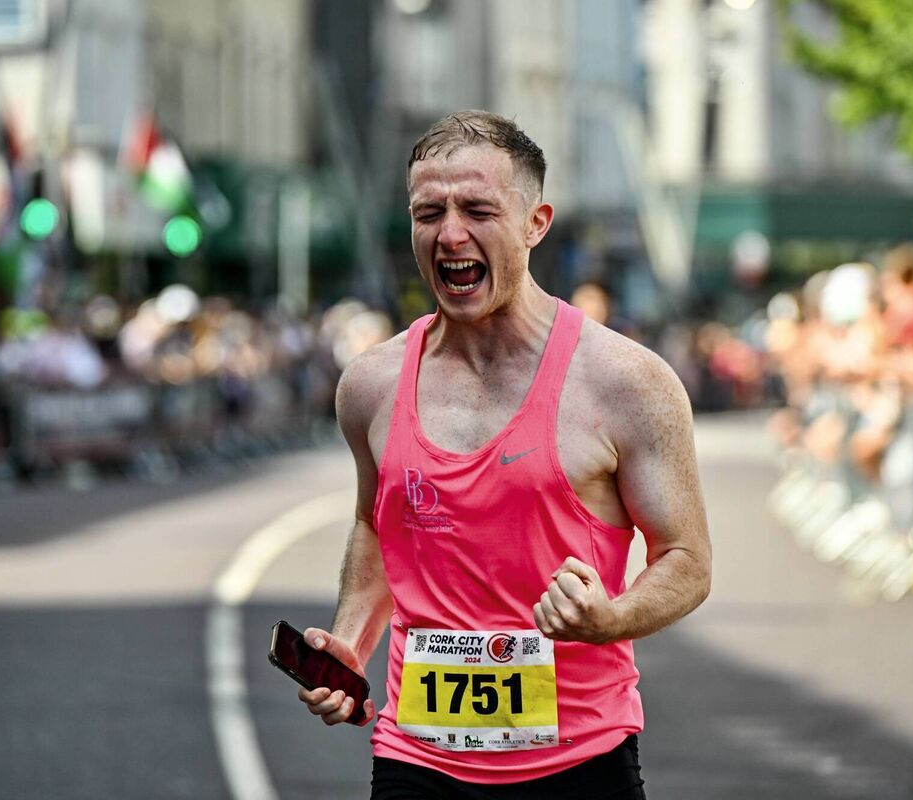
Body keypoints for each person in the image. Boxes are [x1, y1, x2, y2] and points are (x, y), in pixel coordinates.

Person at [297, 110, 712, 798]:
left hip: (577, 761)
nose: (450, 234)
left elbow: (687, 560)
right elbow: (378, 523)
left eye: (478, 210)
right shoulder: (370, 385)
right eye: (429, 213)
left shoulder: (627, 382)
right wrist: (350, 642)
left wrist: (609, 620)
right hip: (416, 758)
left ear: (535, 224)